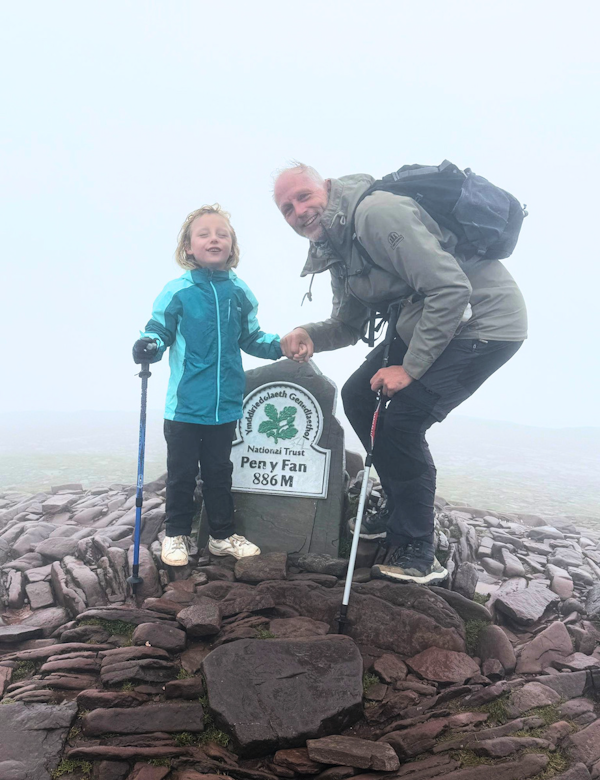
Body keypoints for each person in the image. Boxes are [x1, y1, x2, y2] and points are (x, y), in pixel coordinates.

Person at [275, 163, 527, 585]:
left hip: (486, 324)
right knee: (359, 394)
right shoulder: (337, 245)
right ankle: (396, 504)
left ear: (327, 188)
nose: (298, 211)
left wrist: (409, 370)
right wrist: (308, 333)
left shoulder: (376, 215)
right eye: (286, 208)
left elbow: (450, 289)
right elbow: (350, 325)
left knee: (403, 421)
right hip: (431, 320)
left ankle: (417, 547)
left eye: (303, 196)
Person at [133, 204, 282, 567]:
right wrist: (149, 344)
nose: (214, 238)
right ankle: (176, 535)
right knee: (182, 473)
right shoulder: (178, 291)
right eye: (204, 233)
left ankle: (221, 535)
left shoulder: (239, 292)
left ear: (232, 247)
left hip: (225, 405)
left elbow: (252, 338)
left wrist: (283, 345)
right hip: (184, 407)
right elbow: (159, 330)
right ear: (188, 248)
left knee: (219, 472)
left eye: (222, 234)